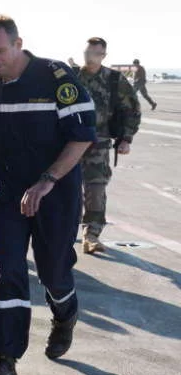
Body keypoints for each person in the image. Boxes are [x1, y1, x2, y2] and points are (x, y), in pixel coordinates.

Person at [0, 15, 96, 375]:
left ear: (18, 43)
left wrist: (47, 181)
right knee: (7, 271)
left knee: (53, 272)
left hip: (55, 195)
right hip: (9, 196)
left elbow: (81, 137)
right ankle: (6, 361)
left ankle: (65, 313)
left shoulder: (56, 76)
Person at [76, 38, 141, 254]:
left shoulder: (113, 79)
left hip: (99, 142)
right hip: (70, 142)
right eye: (88, 51)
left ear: (103, 55)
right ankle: (65, 232)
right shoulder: (72, 77)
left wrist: (126, 138)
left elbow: (131, 109)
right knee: (67, 189)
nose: (90, 56)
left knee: (95, 188)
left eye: (95, 53)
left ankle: (91, 236)